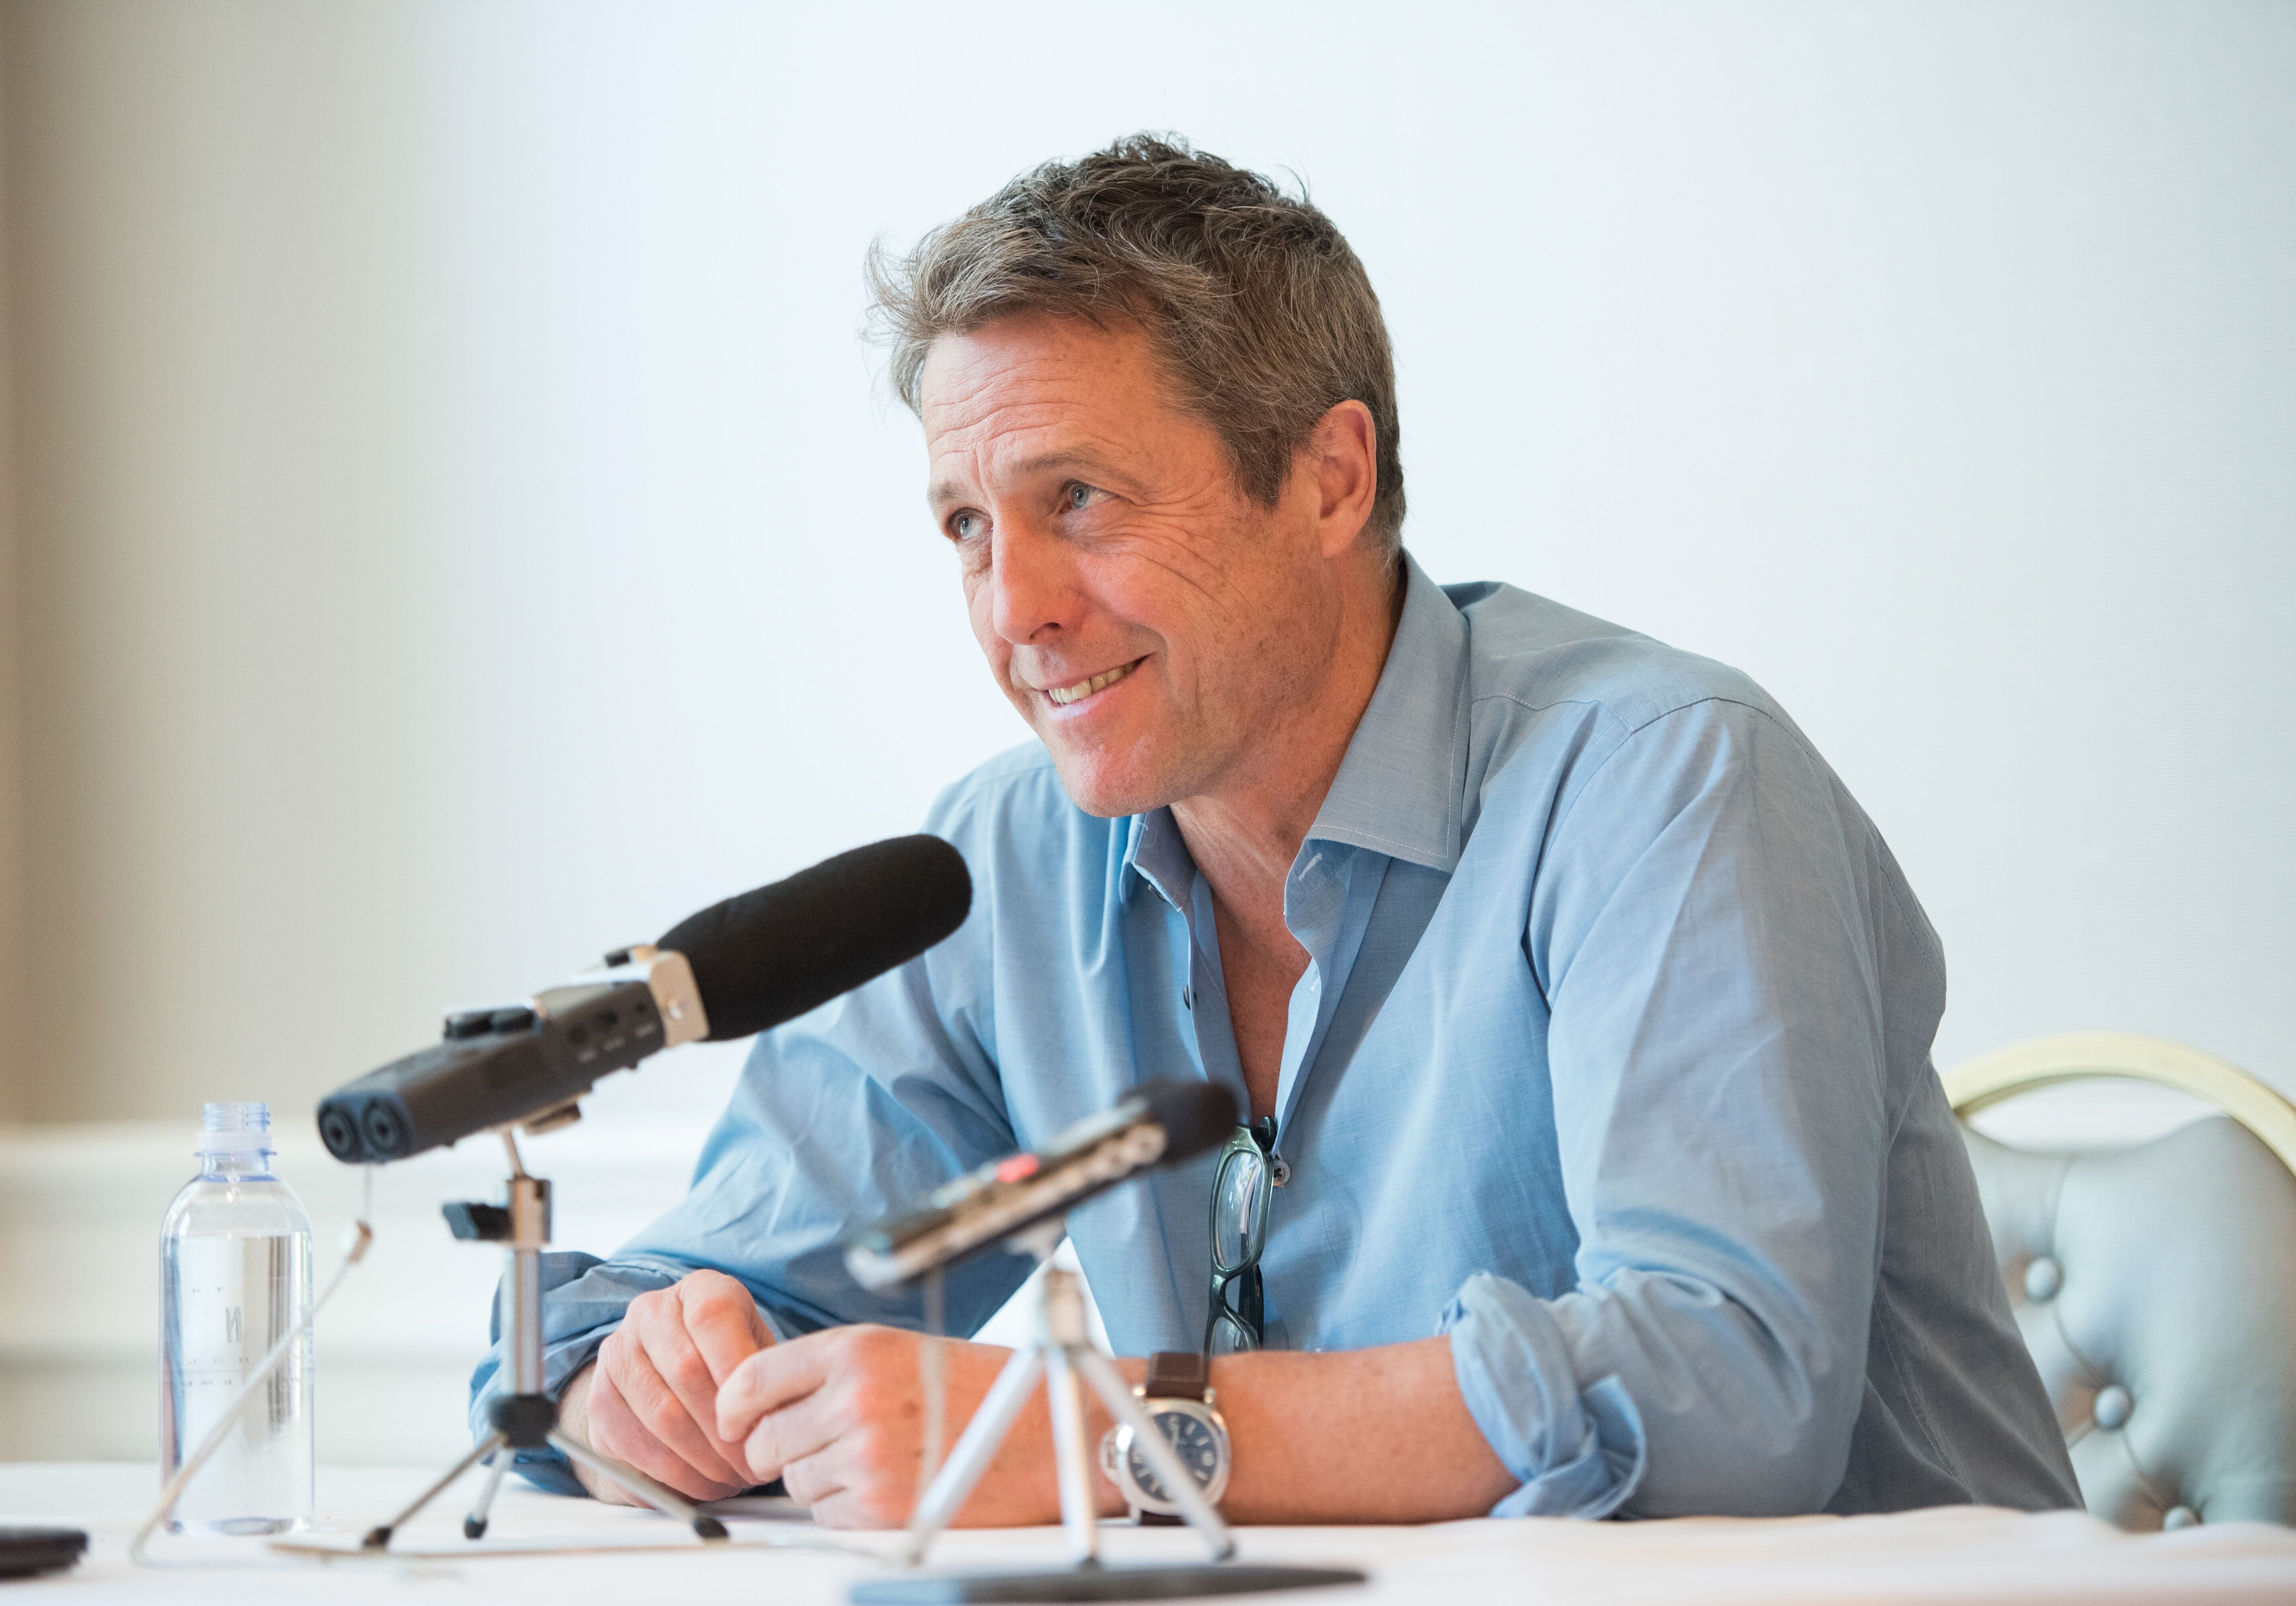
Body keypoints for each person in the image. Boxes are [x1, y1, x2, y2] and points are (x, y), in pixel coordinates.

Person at [468, 134, 2079, 1527]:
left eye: (1078, 499)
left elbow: (1728, 1389)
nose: (1009, 608)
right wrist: (636, 1385)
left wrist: (1110, 1435)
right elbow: (703, 1289)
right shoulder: (1003, 865)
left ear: (1326, 479)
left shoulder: (1664, 780)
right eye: (967, 525)